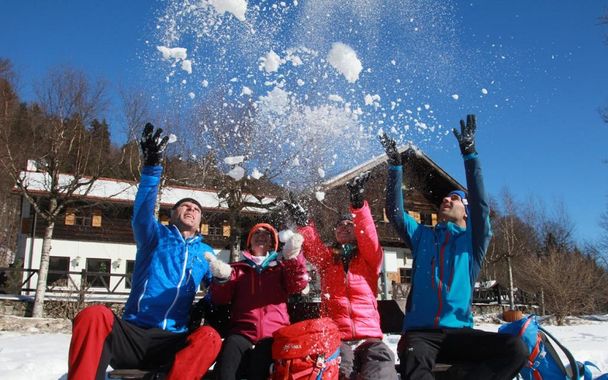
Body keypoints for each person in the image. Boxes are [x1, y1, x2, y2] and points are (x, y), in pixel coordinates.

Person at [68, 123, 222, 380]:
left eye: (196, 209)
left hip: (172, 340)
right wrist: (152, 167)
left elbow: (218, 293)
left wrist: (222, 281)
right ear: (171, 215)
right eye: (185, 206)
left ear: (200, 221)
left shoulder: (207, 253)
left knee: (210, 337)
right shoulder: (154, 236)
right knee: (94, 315)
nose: (191, 210)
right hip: (134, 333)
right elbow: (141, 213)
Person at [380, 114, 527, 380]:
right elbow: (395, 211)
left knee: (515, 348)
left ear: (466, 214)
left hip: (460, 334)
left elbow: (482, 205)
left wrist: (470, 156)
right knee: (414, 362)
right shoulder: (422, 236)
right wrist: (394, 167)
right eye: (446, 197)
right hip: (420, 334)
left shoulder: (472, 243)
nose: (447, 199)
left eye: (455, 198)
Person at [286, 172, 399, 380]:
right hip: (337, 338)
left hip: (370, 339)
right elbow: (313, 247)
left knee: (382, 371)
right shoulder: (328, 260)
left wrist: (358, 205)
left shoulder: (369, 258)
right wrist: (303, 223)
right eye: (339, 225)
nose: (344, 227)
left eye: (350, 225)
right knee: (337, 373)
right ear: (335, 234)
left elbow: (369, 237)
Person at [208, 223, 309, 380]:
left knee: (262, 366)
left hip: (275, 333)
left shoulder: (281, 268)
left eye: (267, 234)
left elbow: (298, 284)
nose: (261, 236)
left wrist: (293, 258)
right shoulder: (237, 268)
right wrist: (222, 279)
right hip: (242, 333)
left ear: (272, 243)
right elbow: (220, 298)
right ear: (249, 242)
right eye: (257, 233)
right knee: (226, 366)